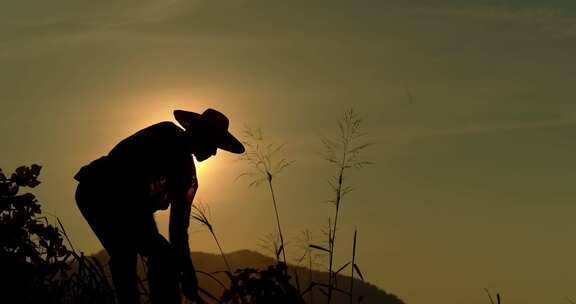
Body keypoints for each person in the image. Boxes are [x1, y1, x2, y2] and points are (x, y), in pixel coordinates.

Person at [74, 109, 244, 304]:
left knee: (155, 255)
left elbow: (178, 227)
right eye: (214, 144)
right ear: (200, 134)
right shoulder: (164, 136)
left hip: (125, 205)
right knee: (127, 252)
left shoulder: (185, 174)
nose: (214, 152)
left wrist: (187, 271)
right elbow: (133, 188)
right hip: (97, 191)